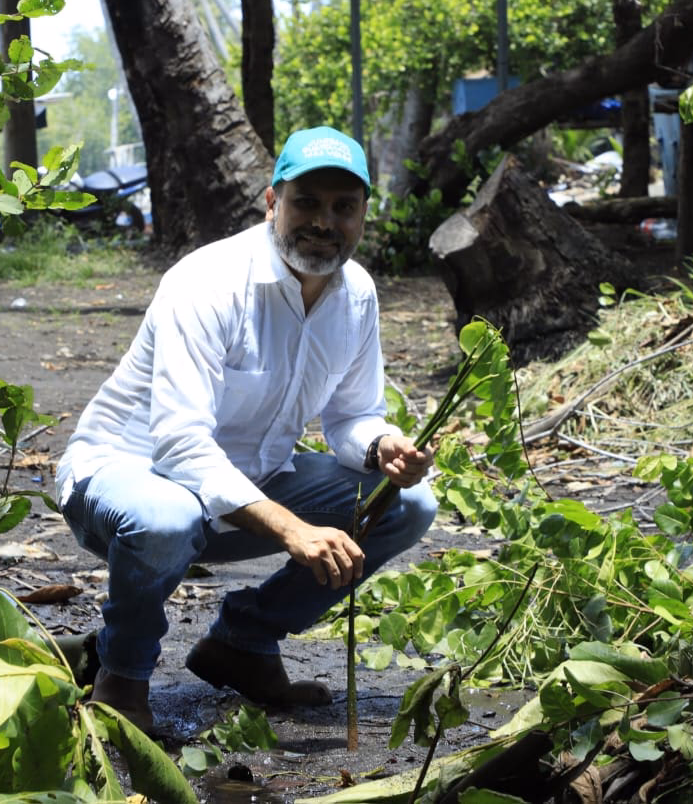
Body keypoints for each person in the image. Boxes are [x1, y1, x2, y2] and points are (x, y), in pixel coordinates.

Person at [55, 126, 438, 731]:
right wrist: (291, 528)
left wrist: (382, 445)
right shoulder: (208, 281)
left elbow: (351, 417)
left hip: (247, 485)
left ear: (365, 214)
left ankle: (244, 641)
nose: (324, 222)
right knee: (167, 519)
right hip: (128, 477)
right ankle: (121, 674)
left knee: (407, 504)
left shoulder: (357, 295)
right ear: (271, 203)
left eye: (343, 207)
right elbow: (179, 444)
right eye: (306, 203)